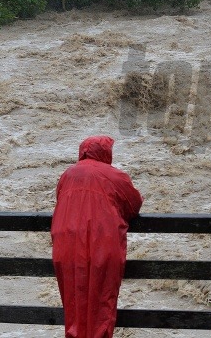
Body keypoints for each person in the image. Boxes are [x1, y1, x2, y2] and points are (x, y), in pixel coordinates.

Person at [51, 135, 143, 338]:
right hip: (101, 245)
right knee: (101, 304)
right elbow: (134, 205)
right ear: (105, 153)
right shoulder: (114, 176)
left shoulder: (67, 175)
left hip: (67, 245)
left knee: (74, 303)